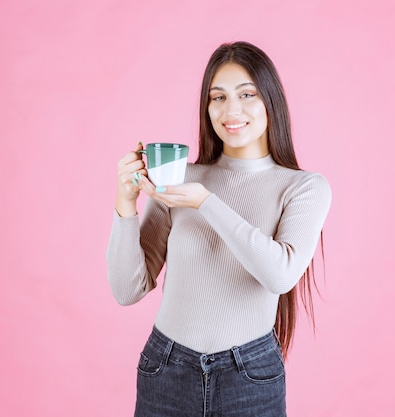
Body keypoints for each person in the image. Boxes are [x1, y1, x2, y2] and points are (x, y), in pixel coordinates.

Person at [106, 41, 331, 417]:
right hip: (166, 369)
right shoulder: (180, 180)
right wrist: (125, 204)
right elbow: (127, 290)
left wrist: (206, 203)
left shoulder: (303, 188)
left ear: (270, 101)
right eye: (218, 97)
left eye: (247, 95)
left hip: (249, 377)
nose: (231, 110)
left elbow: (280, 274)